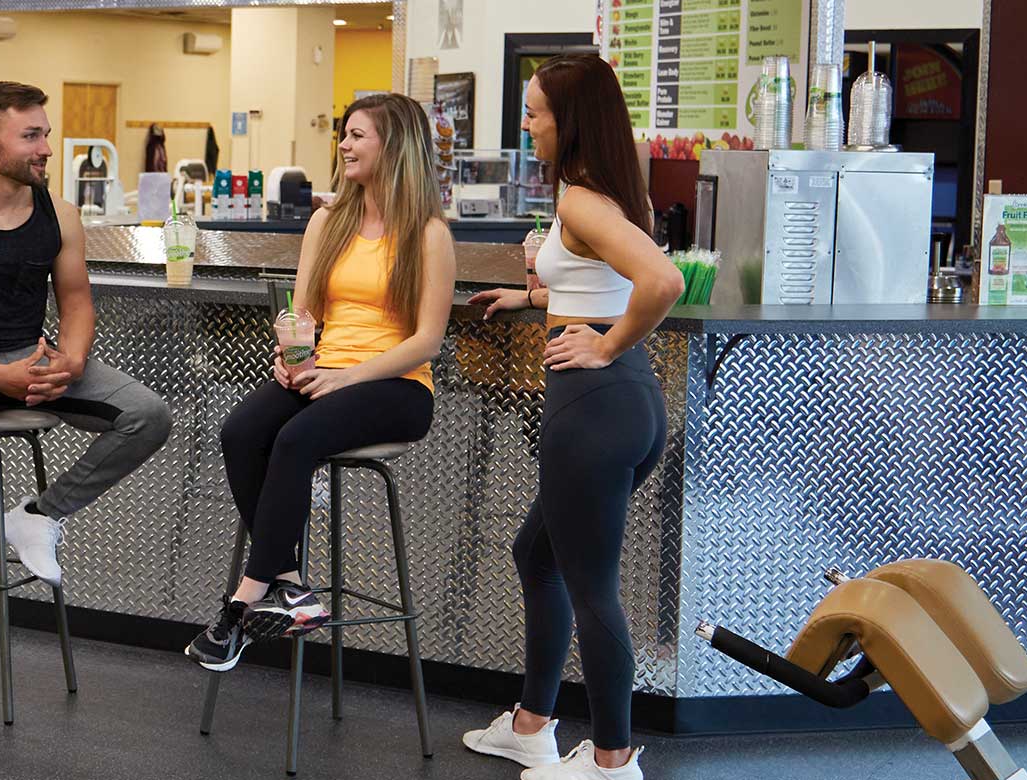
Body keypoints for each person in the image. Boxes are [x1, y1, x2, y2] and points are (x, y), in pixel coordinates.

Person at [458, 54, 683, 780]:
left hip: (593, 409)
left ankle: (613, 760)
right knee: (538, 555)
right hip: (626, 403)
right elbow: (600, 286)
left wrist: (610, 342)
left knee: (592, 587)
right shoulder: (602, 196)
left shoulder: (585, 200)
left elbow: (662, 281)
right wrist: (529, 298)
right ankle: (532, 725)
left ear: (570, 120)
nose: (526, 126)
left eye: (534, 113)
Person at [185, 93, 457, 672]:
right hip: (325, 370)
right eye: (345, 134)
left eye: (359, 135)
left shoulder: (428, 233)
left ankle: (243, 601)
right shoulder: (327, 221)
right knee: (240, 431)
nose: (345, 145)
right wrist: (290, 356)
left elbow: (427, 340)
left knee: (296, 440)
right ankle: (291, 587)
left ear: (396, 147)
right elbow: (303, 313)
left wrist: (347, 376)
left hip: (398, 384)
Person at [0, 81, 174, 585]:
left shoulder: (59, 213)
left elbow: (75, 300)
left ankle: (42, 514)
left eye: (45, 134)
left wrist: (71, 358)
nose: (47, 148)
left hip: (32, 352)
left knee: (148, 416)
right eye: (31, 136)